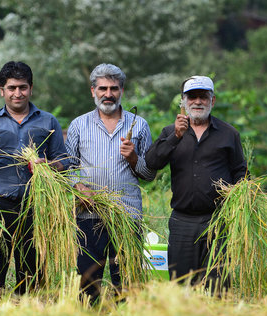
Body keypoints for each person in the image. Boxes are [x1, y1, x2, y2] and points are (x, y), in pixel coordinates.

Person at [145, 75, 247, 293]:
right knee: (181, 287)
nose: (197, 101)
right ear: (183, 101)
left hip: (218, 222)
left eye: (203, 96)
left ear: (213, 100)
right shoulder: (169, 132)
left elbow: (241, 171)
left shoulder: (229, 134)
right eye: (192, 97)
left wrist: (240, 196)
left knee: (218, 285)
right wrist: (176, 136)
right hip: (183, 221)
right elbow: (152, 163)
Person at [0, 61, 69, 294]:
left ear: (31, 88)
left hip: (34, 206)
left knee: (31, 274)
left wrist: (48, 166)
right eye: (12, 88)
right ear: (2, 90)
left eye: (23, 87)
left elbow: (64, 162)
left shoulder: (48, 122)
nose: (18, 93)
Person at [66, 63, 156, 303]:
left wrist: (133, 157)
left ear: (122, 91)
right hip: (89, 215)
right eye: (102, 88)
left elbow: (149, 174)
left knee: (126, 283)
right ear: (92, 90)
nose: (108, 94)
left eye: (113, 88)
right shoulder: (79, 125)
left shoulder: (139, 125)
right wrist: (78, 186)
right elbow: (68, 167)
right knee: (88, 281)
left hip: (126, 215)